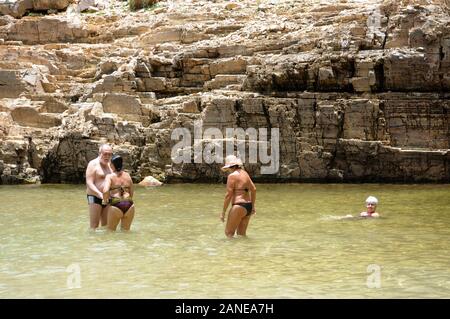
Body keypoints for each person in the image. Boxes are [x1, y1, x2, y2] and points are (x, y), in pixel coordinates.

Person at [220, 155, 256, 238]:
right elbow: (254, 189)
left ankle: (230, 251)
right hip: (248, 206)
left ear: (230, 166)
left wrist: (223, 212)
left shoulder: (232, 176)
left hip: (239, 206)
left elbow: (228, 195)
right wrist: (253, 207)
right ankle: (243, 250)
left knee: (229, 233)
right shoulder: (245, 173)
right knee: (241, 235)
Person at [103, 155, 135, 231]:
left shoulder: (110, 176)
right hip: (129, 205)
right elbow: (132, 192)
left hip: (116, 205)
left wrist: (105, 201)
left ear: (112, 165)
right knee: (126, 232)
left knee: (110, 232)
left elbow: (105, 191)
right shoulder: (127, 175)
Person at [86, 144, 113, 230]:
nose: (107, 156)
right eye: (105, 154)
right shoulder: (93, 164)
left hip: (107, 198)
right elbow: (89, 183)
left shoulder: (110, 165)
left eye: (109, 154)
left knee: (106, 226)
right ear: (100, 153)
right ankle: (92, 242)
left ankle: (104, 242)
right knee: (94, 226)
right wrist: (99, 194)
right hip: (94, 197)